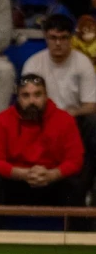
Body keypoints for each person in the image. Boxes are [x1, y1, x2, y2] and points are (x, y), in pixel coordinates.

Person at [0, 73, 89, 230]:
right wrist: (24, 174)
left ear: (46, 96)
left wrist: (53, 174)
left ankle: (78, 244)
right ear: (18, 98)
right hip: (17, 182)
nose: (32, 101)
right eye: (26, 95)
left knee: (75, 186)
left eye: (37, 95)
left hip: (52, 182)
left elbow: (75, 160)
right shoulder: (0, 121)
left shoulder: (65, 120)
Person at [21, 14, 96, 194]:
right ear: (46, 38)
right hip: (42, 119)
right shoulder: (33, 64)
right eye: (53, 38)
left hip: (73, 120)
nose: (58, 43)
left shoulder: (82, 63)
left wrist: (71, 114)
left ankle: (83, 189)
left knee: (93, 123)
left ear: (71, 38)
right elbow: (25, 102)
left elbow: (91, 105)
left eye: (63, 38)